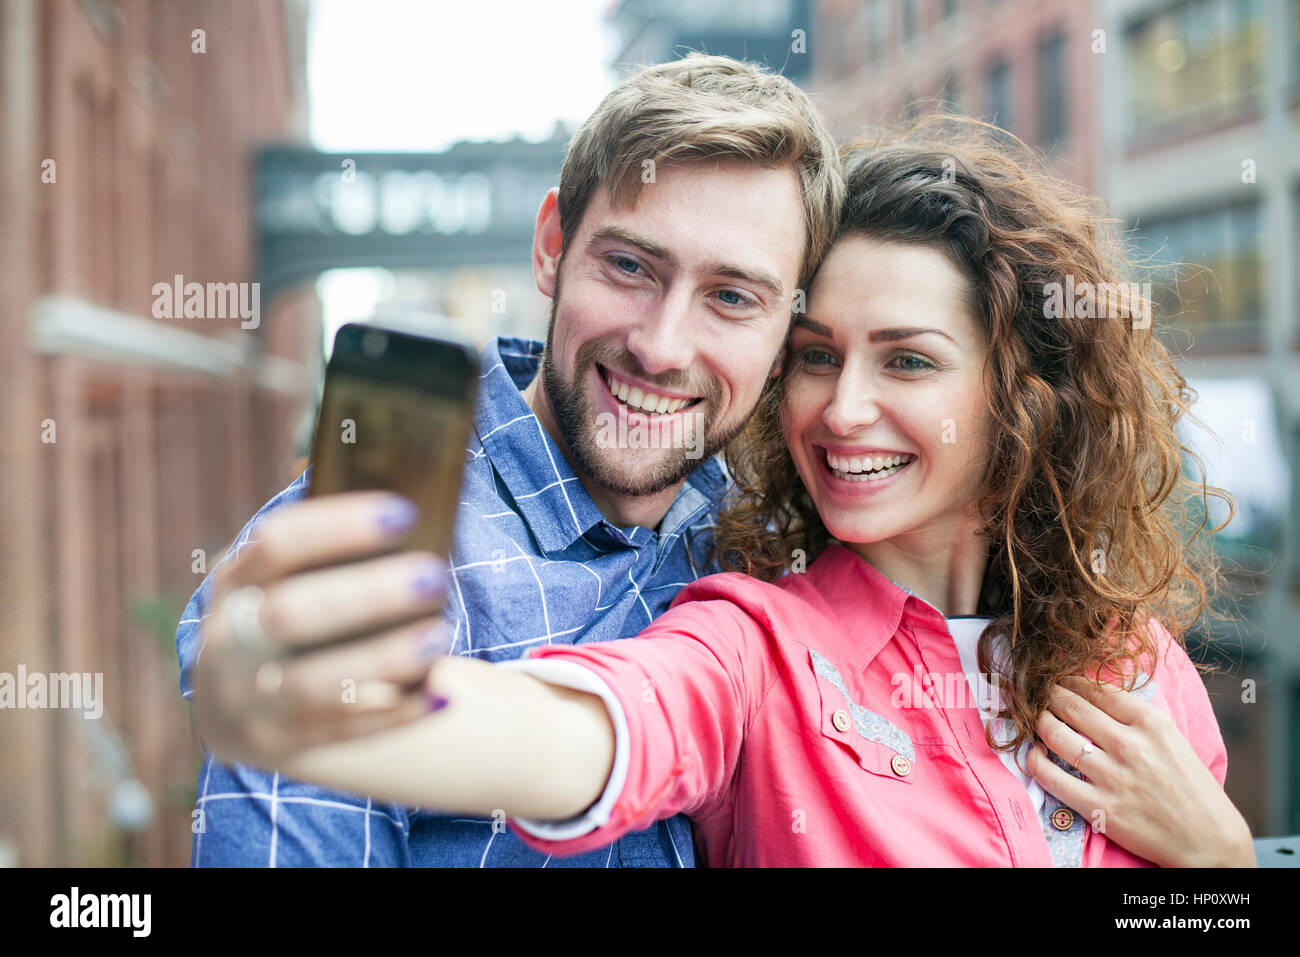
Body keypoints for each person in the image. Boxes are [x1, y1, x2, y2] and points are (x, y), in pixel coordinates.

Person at [223, 117, 1255, 867]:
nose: (842, 409)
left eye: (905, 362)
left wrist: (1221, 865)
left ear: (1018, 396)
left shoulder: (1135, 665)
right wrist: (350, 706)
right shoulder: (754, 640)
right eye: (815, 357)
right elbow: (601, 728)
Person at [180, 53, 844, 867]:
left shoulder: (787, 531)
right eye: (631, 266)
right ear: (552, 246)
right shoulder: (368, 571)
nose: (662, 347)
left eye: (733, 298)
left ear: (787, 341)